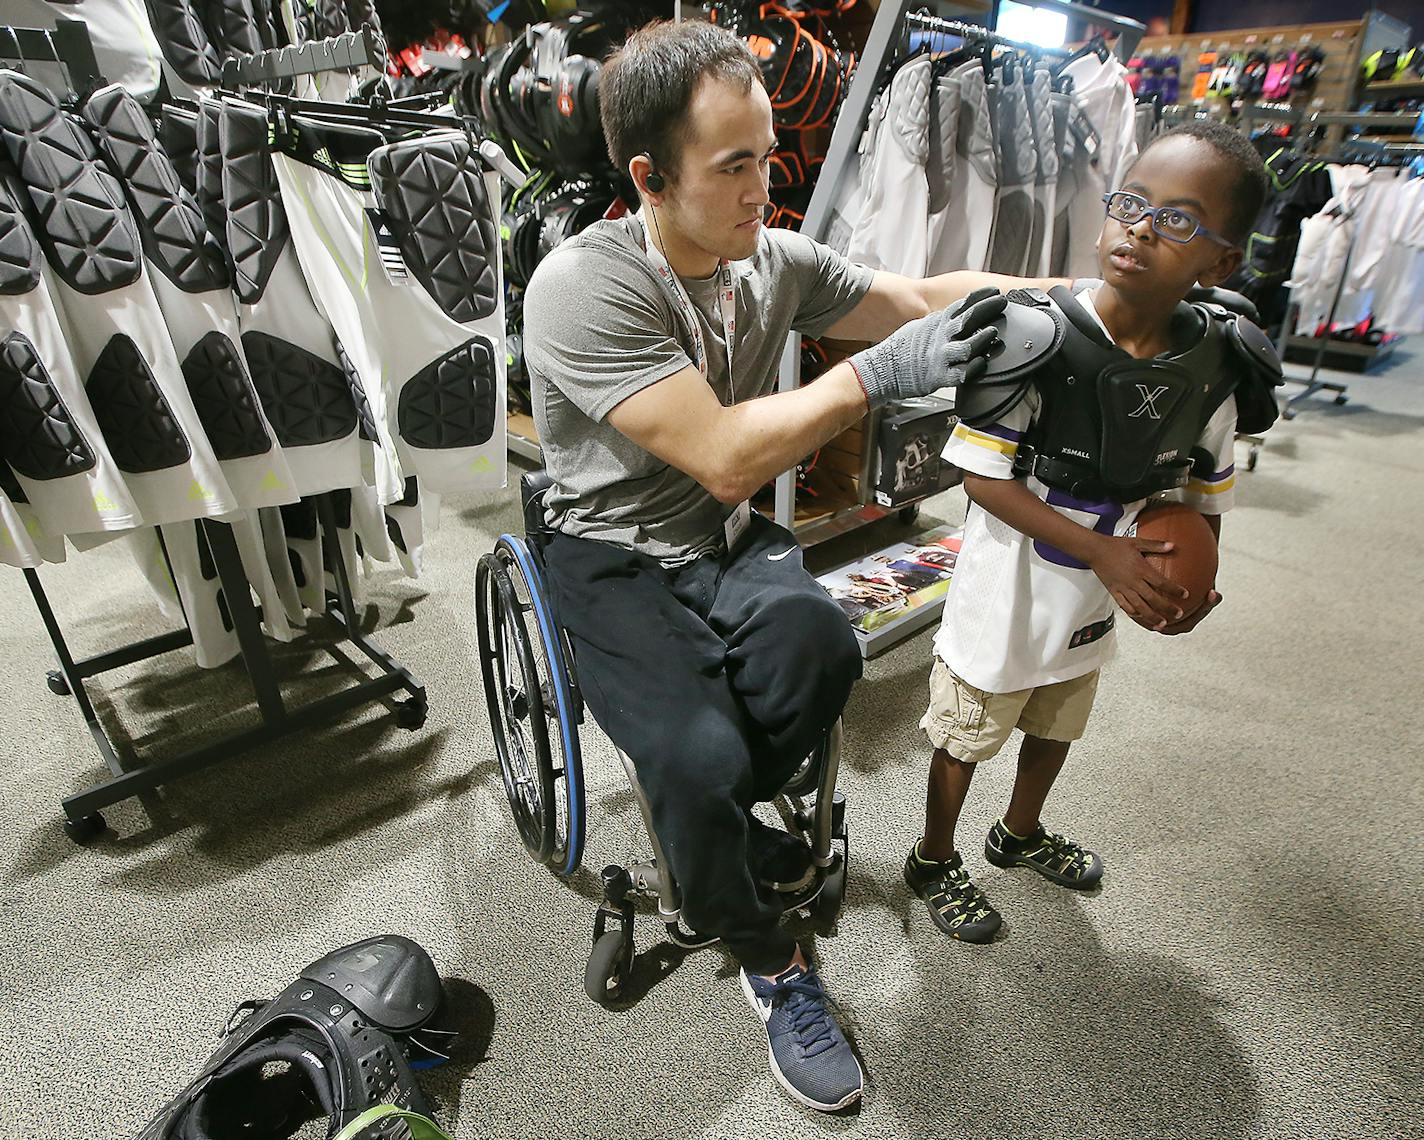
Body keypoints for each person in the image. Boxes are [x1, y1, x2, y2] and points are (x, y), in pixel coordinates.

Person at [521, 19, 1047, 1112]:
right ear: (648, 178)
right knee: (694, 754)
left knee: (821, 656)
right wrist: (871, 382)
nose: (768, 183)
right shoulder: (582, 285)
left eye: (769, 153)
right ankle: (770, 958)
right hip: (610, 555)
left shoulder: (768, 257)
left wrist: (1086, 301)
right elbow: (720, 458)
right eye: (737, 164)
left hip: (722, 547)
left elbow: (911, 298)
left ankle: (713, 824)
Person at [903, 121, 1272, 944]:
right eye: (1131, 203)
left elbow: (1202, 485)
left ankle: (1020, 831)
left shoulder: (1215, 361)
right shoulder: (1039, 336)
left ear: (1221, 263)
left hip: (1105, 574)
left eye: (1178, 219)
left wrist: (1196, 575)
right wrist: (1106, 551)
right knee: (969, 728)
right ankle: (933, 855)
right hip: (1017, 574)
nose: (1140, 227)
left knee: (1060, 714)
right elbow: (980, 476)